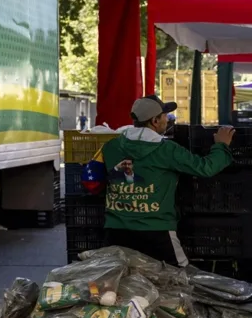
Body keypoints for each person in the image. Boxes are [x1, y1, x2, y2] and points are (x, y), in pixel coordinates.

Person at [85, 95, 235, 266]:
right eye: (165, 115)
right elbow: (205, 168)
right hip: (156, 230)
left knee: (118, 276)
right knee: (179, 275)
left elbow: (93, 179)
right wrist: (221, 146)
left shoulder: (111, 146)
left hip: (115, 230)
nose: (167, 119)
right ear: (155, 121)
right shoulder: (167, 150)